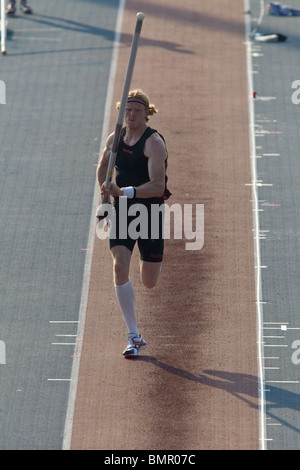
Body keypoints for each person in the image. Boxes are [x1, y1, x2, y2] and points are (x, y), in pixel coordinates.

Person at [96, 89, 170, 358]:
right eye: (127, 110)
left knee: (149, 281)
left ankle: (149, 259)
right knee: (118, 267)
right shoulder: (115, 139)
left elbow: (158, 186)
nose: (131, 115)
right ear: (122, 111)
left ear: (146, 113)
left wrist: (123, 191)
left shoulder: (154, 144)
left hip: (149, 212)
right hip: (123, 211)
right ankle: (134, 337)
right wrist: (105, 202)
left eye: (136, 111)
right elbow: (103, 169)